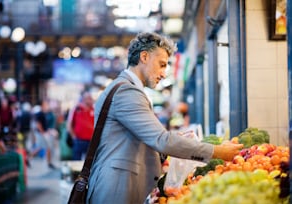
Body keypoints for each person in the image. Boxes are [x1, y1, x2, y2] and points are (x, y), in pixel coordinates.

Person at [86, 32, 243, 204]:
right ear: (144, 57)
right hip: (116, 189)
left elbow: (140, 140)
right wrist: (218, 152)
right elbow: (161, 140)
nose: (163, 73)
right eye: (161, 65)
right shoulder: (126, 92)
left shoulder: (127, 89)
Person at [67, 91, 94, 160]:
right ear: (84, 99)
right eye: (89, 98)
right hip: (79, 140)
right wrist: (74, 137)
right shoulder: (76, 109)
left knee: (90, 162)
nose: (91, 100)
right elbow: (69, 124)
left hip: (91, 141)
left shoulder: (94, 109)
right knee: (76, 161)